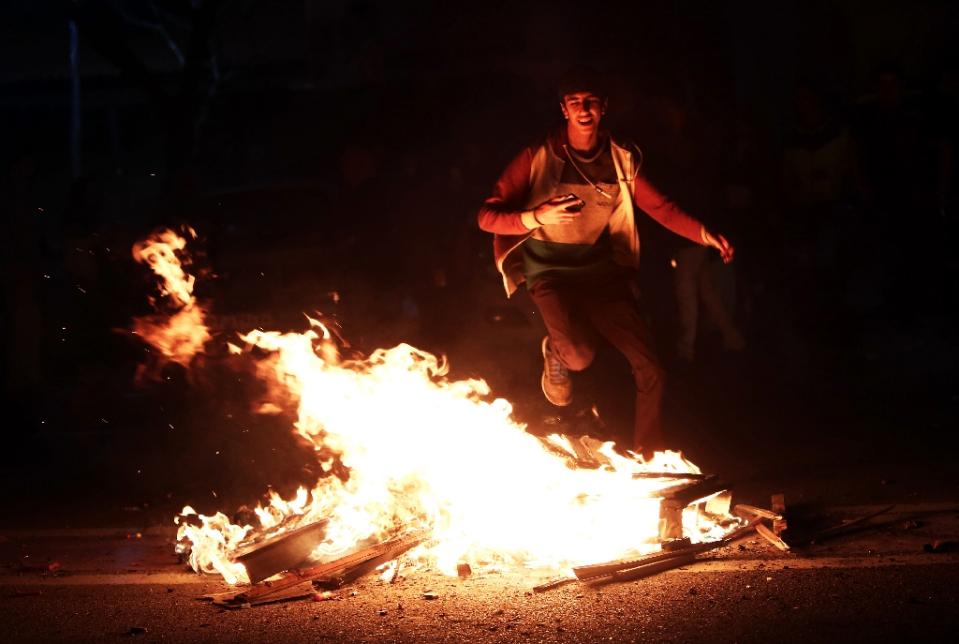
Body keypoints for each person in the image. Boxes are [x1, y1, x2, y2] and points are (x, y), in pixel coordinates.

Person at [476, 68, 734, 456]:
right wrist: (536, 217)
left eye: (591, 101)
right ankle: (558, 350)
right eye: (575, 102)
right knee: (579, 358)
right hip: (549, 273)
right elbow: (486, 216)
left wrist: (703, 234)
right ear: (563, 109)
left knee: (651, 368)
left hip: (600, 275)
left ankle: (652, 457)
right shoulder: (538, 155)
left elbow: (660, 207)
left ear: (603, 108)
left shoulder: (622, 159)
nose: (584, 109)